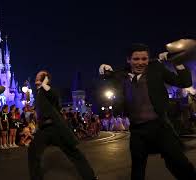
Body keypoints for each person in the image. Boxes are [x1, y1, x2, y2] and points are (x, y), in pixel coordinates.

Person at [99, 43, 196, 180]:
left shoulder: (156, 68)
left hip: (160, 127)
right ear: (128, 60)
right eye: (136, 59)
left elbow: (184, 82)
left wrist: (177, 62)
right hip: (137, 132)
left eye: (144, 59)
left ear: (148, 58)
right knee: (137, 171)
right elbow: (108, 76)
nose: (140, 63)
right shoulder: (121, 76)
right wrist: (105, 71)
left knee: (180, 164)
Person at [28, 70, 98, 180]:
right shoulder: (39, 93)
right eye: (36, 76)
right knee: (33, 151)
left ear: (46, 79)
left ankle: (90, 177)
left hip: (56, 128)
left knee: (74, 153)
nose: (37, 78)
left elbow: (55, 98)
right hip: (44, 130)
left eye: (40, 76)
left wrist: (45, 84)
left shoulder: (48, 91)